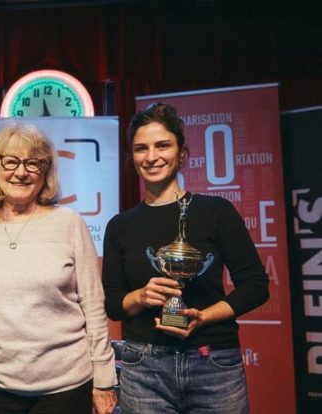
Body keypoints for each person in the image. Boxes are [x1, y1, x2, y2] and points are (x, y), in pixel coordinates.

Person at [102, 102, 269, 413]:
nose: (151, 157)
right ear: (132, 157)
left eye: (162, 145)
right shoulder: (120, 226)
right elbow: (113, 305)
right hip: (144, 368)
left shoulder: (215, 211)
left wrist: (203, 316)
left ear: (181, 152)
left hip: (214, 363)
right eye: (141, 148)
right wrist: (141, 295)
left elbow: (256, 286)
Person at [0, 124, 117, 414]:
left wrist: (104, 380)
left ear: (46, 171)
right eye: (11, 161)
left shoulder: (69, 223)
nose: (21, 172)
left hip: (65, 387)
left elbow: (93, 306)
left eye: (33, 163)